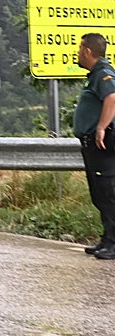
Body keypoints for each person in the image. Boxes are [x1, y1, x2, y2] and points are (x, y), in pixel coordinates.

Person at [74, 32, 115, 259]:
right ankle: (107, 238)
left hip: (102, 143)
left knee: (107, 193)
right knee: (99, 194)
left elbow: (112, 98)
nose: (78, 53)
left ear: (88, 51)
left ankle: (113, 243)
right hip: (92, 145)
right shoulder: (95, 75)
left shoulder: (104, 74)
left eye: (80, 49)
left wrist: (101, 126)